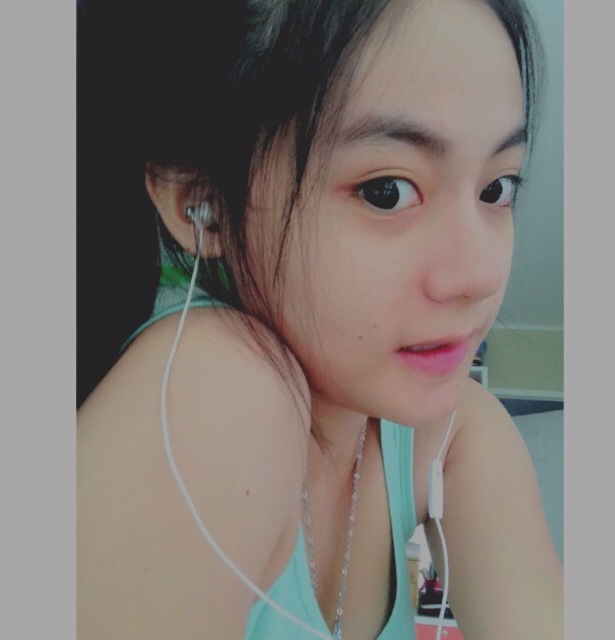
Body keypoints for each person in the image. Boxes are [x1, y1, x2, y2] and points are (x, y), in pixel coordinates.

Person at [77, 0, 563, 638]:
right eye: (387, 191)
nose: (479, 275)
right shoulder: (216, 390)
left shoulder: (451, 434)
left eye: (496, 189)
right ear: (204, 202)